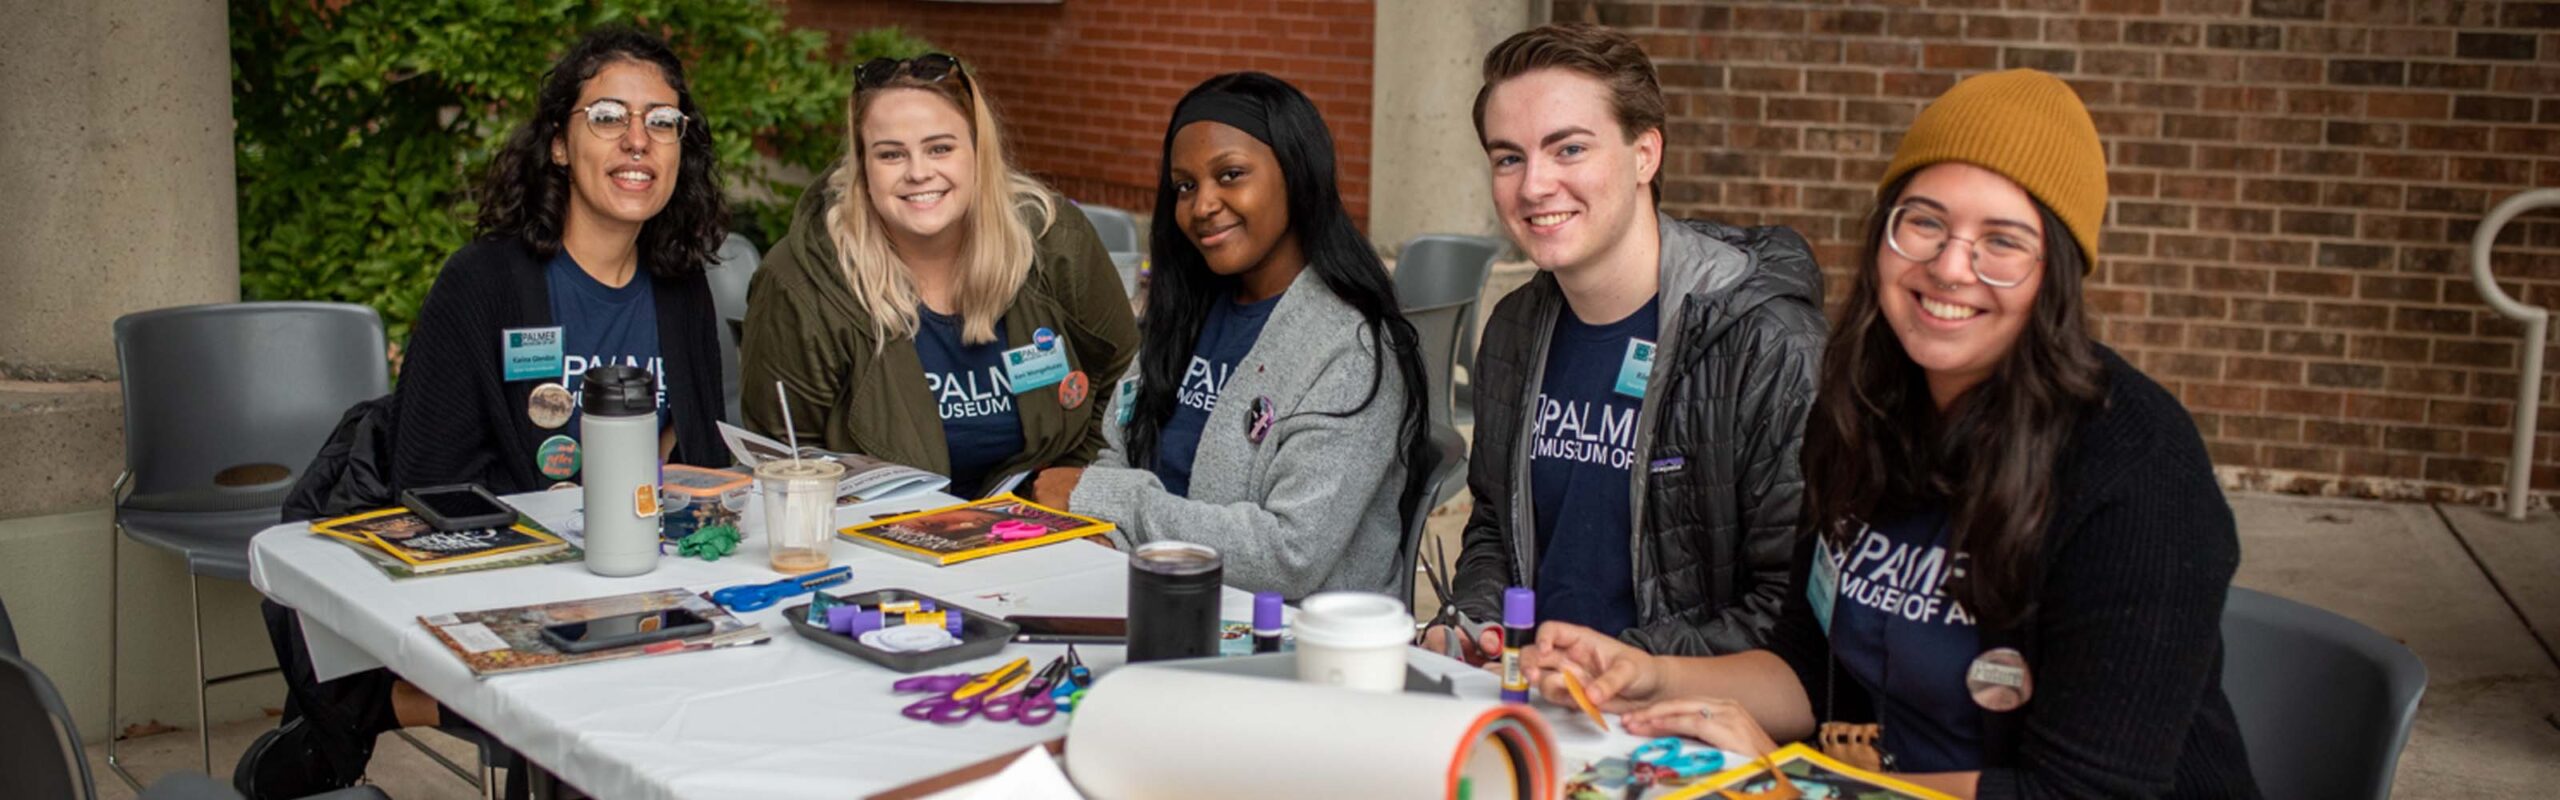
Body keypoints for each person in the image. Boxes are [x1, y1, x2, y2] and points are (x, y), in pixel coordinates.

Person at [1527, 70, 2259, 798]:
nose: (1949, 267)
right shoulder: (1859, 414)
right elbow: (1809, 666)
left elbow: (2083, 794)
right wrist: (1647, 674)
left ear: (2056, 276)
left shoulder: (2137, 469)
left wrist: (1812, 787)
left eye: (2002, 241)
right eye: (1925, 221)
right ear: (1884, 234)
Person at [241, 27, 731, 797]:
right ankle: (377, 705)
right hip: (513, 576)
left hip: (637, 574)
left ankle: (374, 709)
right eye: (607, 116)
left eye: (662, 122)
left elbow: (696, 450)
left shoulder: (680, 288)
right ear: (561, 145)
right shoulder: (484, 282)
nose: (639, 140)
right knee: (606, 704)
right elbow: (429, 483)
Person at [1431, 23, 1825, 659]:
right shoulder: (1513, 329)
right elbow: (1496, 530)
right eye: (1509, 157)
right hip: (1534, 704)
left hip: (1691, 735)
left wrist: (1629, 666)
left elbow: (1794, 614)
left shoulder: (1766, 344)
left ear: (1646, 154)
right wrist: (1479, 622)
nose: (1533, 186)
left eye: (1569, 150)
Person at [1027, 72, 1429, 599]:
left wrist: (1104, 501)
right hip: (1154, 598)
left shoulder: (1350, 348)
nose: (1201, 206)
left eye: (1231, 175)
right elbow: (1119, 452)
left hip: (1290, 645)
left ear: (1296, 174)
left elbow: (1288, 555)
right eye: (1185, 186)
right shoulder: (1184, 311)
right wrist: (1106, 538)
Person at [741, 53, 1137, 499]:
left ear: (977, 151)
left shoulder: (1053, 241)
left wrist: (1067, 486)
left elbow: (1126, 377)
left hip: (1039, 531)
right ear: (862, 166)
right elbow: (781, 458)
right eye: (890, 154)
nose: (918, 172)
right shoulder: (802, 281)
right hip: (875, 544)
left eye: (940, 148)